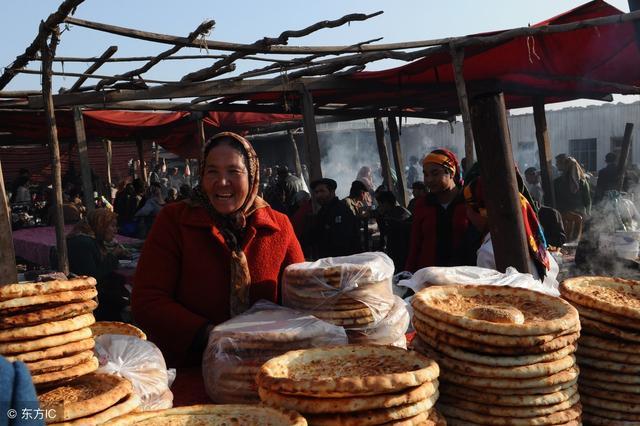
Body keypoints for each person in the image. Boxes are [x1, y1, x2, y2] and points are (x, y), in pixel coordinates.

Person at [132, 132, 304, 367]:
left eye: (234, 171)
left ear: (252, 175)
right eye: (212, 171)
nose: (222, 182)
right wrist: (209, 335)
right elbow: (147, 300)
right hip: (193, 369)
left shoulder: (278, 226)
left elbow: (302, 298)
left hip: (270, 369)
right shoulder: (174, 221)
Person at [405, 149, 478, 272]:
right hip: (429, 278)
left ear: (451, 173)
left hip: (464, 277)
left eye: (435, 173)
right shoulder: (422, 205)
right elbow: (415, 246)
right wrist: (409, 274)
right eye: (426, 174)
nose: (429, 180)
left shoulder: (468, 201)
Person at [67, 209, 129, 321]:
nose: (116, 230)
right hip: (88, 298)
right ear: (101, 225)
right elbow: (92, 277)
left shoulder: (91, 239)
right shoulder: (83, 243)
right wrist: (113, 256)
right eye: (112, 226)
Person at [310, 178, 361, 259]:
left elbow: (344, 242)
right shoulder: (321, 212)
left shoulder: (341, 210)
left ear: (332, 192)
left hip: (345, 261)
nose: (318, 195)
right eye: (316, 192)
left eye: (322, 191)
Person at [375, 190, 412, 271]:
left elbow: (387, 234)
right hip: (401, 251)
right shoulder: (399, 212)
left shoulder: (393, 217)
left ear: (386, 204)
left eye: (380, 205)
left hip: (400, 252)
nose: (379, 207)